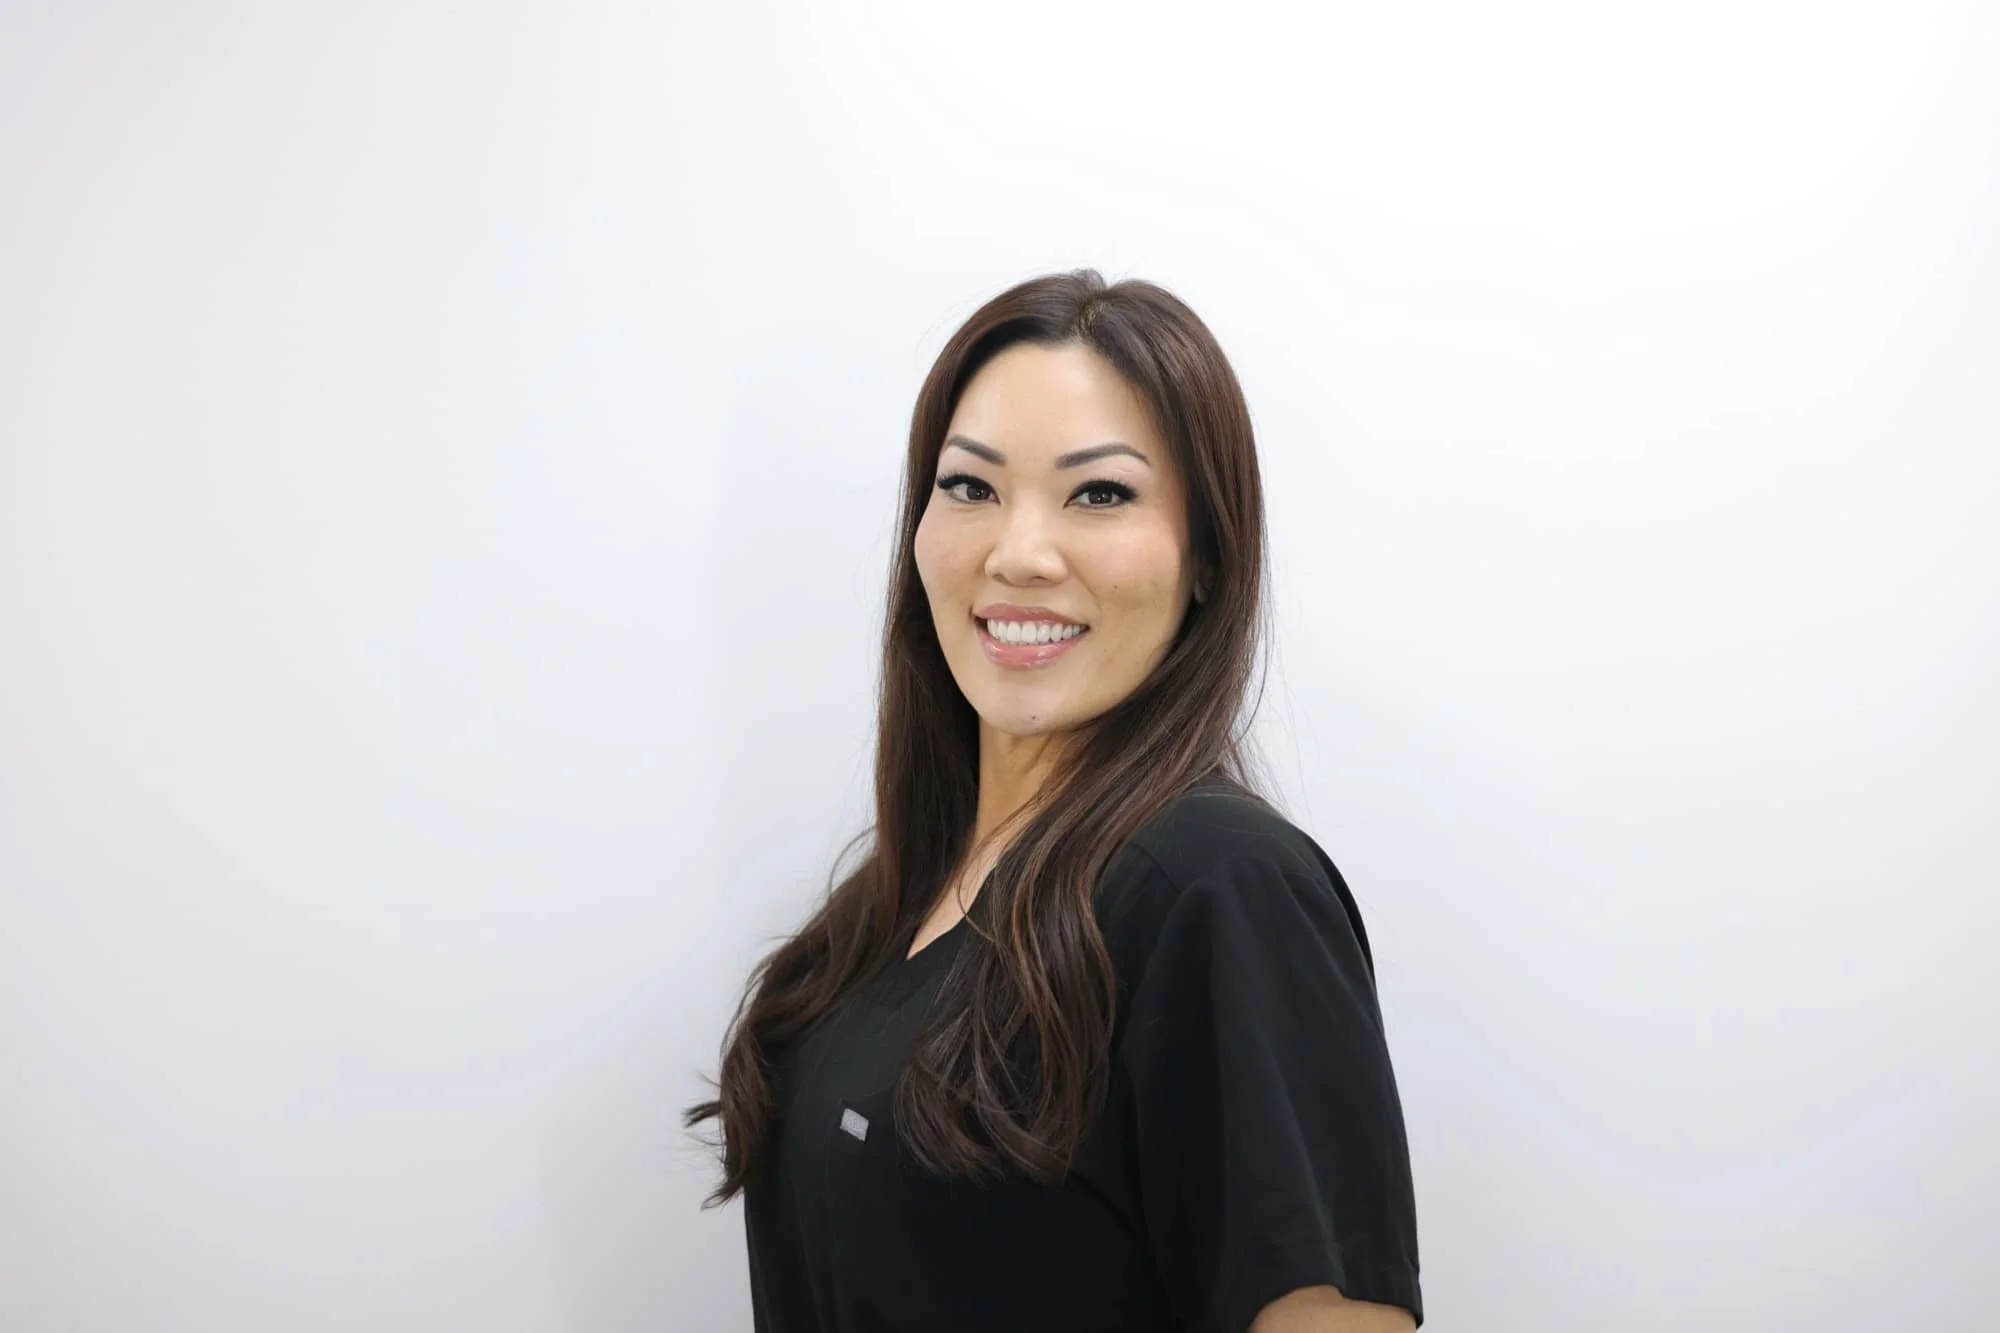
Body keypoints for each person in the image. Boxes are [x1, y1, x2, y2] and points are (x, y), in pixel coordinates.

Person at [687, 270, 1422, 1332]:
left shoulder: (1220, 892)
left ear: (1205, 556)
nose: (1018, 553)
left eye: (1099, 494)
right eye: (970, 487)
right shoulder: (894, 902)